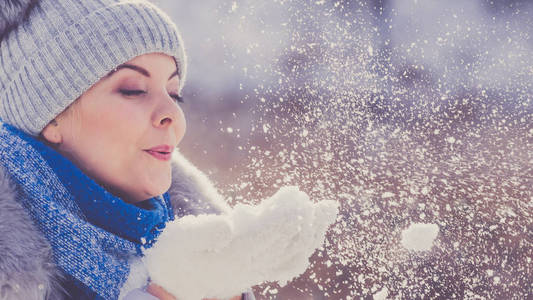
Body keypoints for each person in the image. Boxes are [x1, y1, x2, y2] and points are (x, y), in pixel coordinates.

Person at [0, 0, 255, 299]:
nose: (173, 114)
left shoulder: (201, 255)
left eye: (175, 94)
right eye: (133, 89)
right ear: (49, 116)